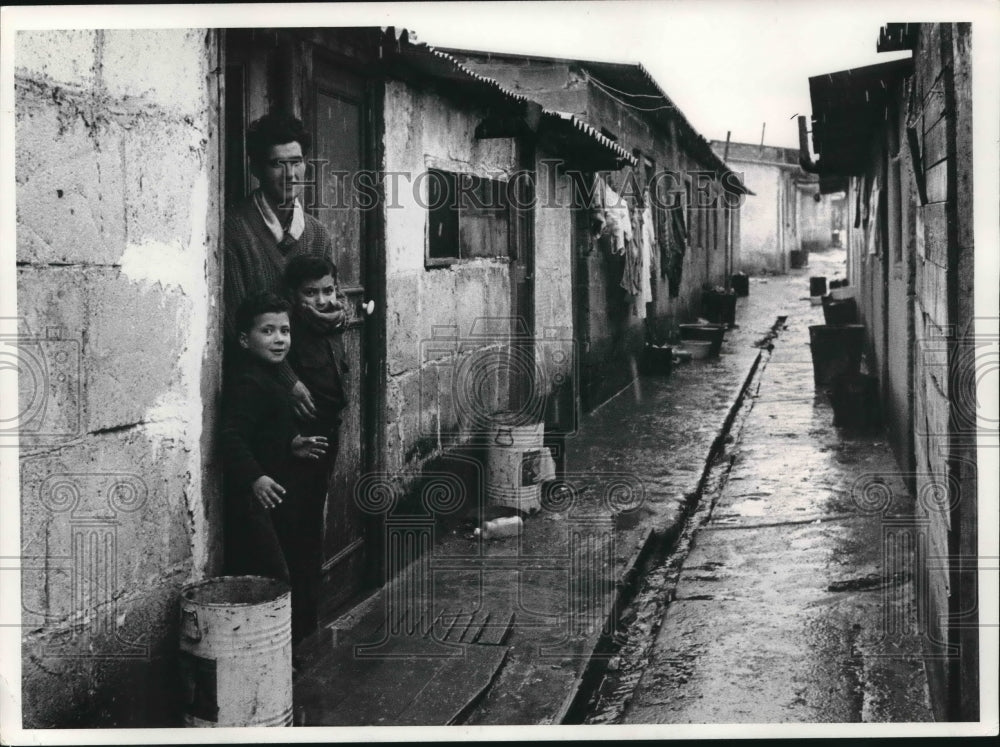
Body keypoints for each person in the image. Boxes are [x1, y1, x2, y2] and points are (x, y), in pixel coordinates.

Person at [223, 110, 347, 422]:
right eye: (278, 163)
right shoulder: (234, 230)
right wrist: (288, 382)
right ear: (256, 168)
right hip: (263, 395)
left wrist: (338, 313)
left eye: (296, 161)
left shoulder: (317, 233)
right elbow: (235, 327)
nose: (290, 174)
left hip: (319, 389)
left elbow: (333, 299)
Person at [219, 291, 329, 645]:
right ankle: (271, 647)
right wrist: (255, 476)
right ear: (244, 340)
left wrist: (291, 444)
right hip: (256, 501)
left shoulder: (269, 377)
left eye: (284, 330)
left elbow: (266, 430)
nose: (279, 339)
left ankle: (291, 643)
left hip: (279, 494)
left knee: (292, 563)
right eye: (267, 331)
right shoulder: (246, 381)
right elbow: (232, 435)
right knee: (271, 571)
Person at [281, 254, 350, 641]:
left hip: (328, 435)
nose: (323, 300)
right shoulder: (288, 334)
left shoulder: (332, 321)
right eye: (311, 293)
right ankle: (295, 629)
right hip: (300, 442)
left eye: (328, 290)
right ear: (294, 296)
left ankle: (307, 622)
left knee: (311, 526)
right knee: (297, 531)